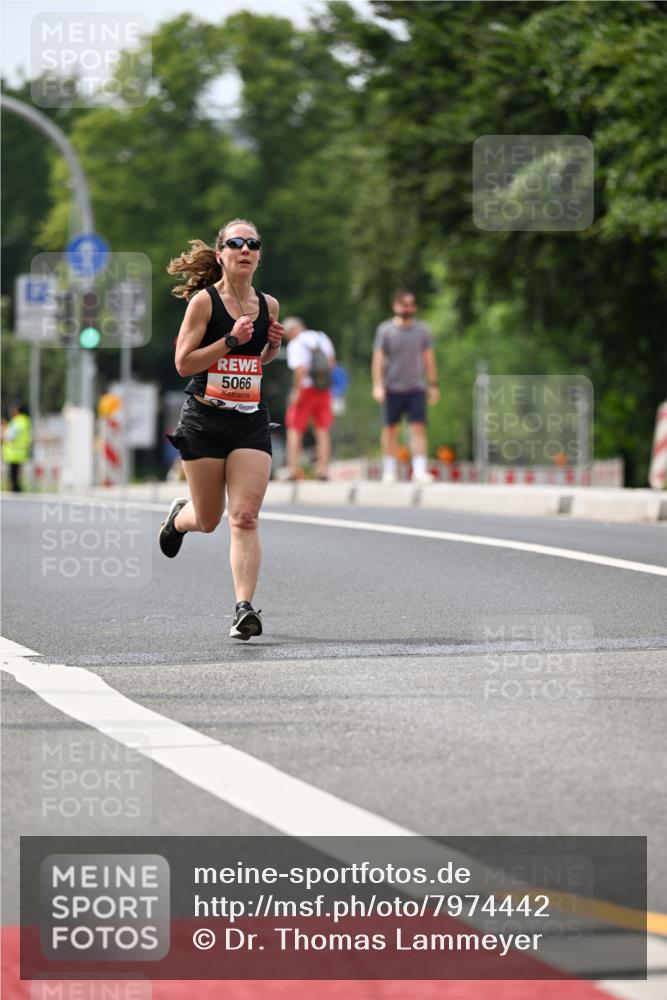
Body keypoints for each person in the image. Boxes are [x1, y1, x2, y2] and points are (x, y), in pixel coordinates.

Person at [160, 218, 285, 640]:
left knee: (245, 517)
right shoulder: (204, 303)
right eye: (236, 243)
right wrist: (229, 341)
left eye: (253, 243)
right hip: (204, 419)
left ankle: (244, 608)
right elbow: (183, 364)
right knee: (209, 519)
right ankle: (180, 519)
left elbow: (258, 362)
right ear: (221, 255)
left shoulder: (269, 304)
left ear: (259, 254)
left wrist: (271, 347)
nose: (245, 249)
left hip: (249, 420)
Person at [371, 289, 440, 484]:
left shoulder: (422, 330)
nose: (408, 308)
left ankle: (419, 470)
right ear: (396, 306)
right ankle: (390, 469)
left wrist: (433, 384)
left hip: (416, 387)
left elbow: (428, 358)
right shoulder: (385, 330)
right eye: (404, 304)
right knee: (390, 429)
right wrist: (377, 384)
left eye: (411, 304)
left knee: (418, 428)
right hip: (392, 386)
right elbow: (378, 358)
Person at [284, 317, 336, 480]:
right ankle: (323, 469)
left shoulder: (296, 344)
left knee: (295, 428)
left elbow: (299, 369)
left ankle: (293, 469)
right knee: (322, 429)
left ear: (291, 330)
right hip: (323, 390)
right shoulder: (321, 337)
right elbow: (332, 363)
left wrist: (296, 392)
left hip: (305, 390)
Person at [2, 402, 32, 492]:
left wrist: (3, 434)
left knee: (13, 475)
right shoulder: (26, 421)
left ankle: (15, 489)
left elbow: (10, 436)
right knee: (16, 474)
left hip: (13, 452)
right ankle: (16, 488)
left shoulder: (17, 421)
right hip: (21, 451)